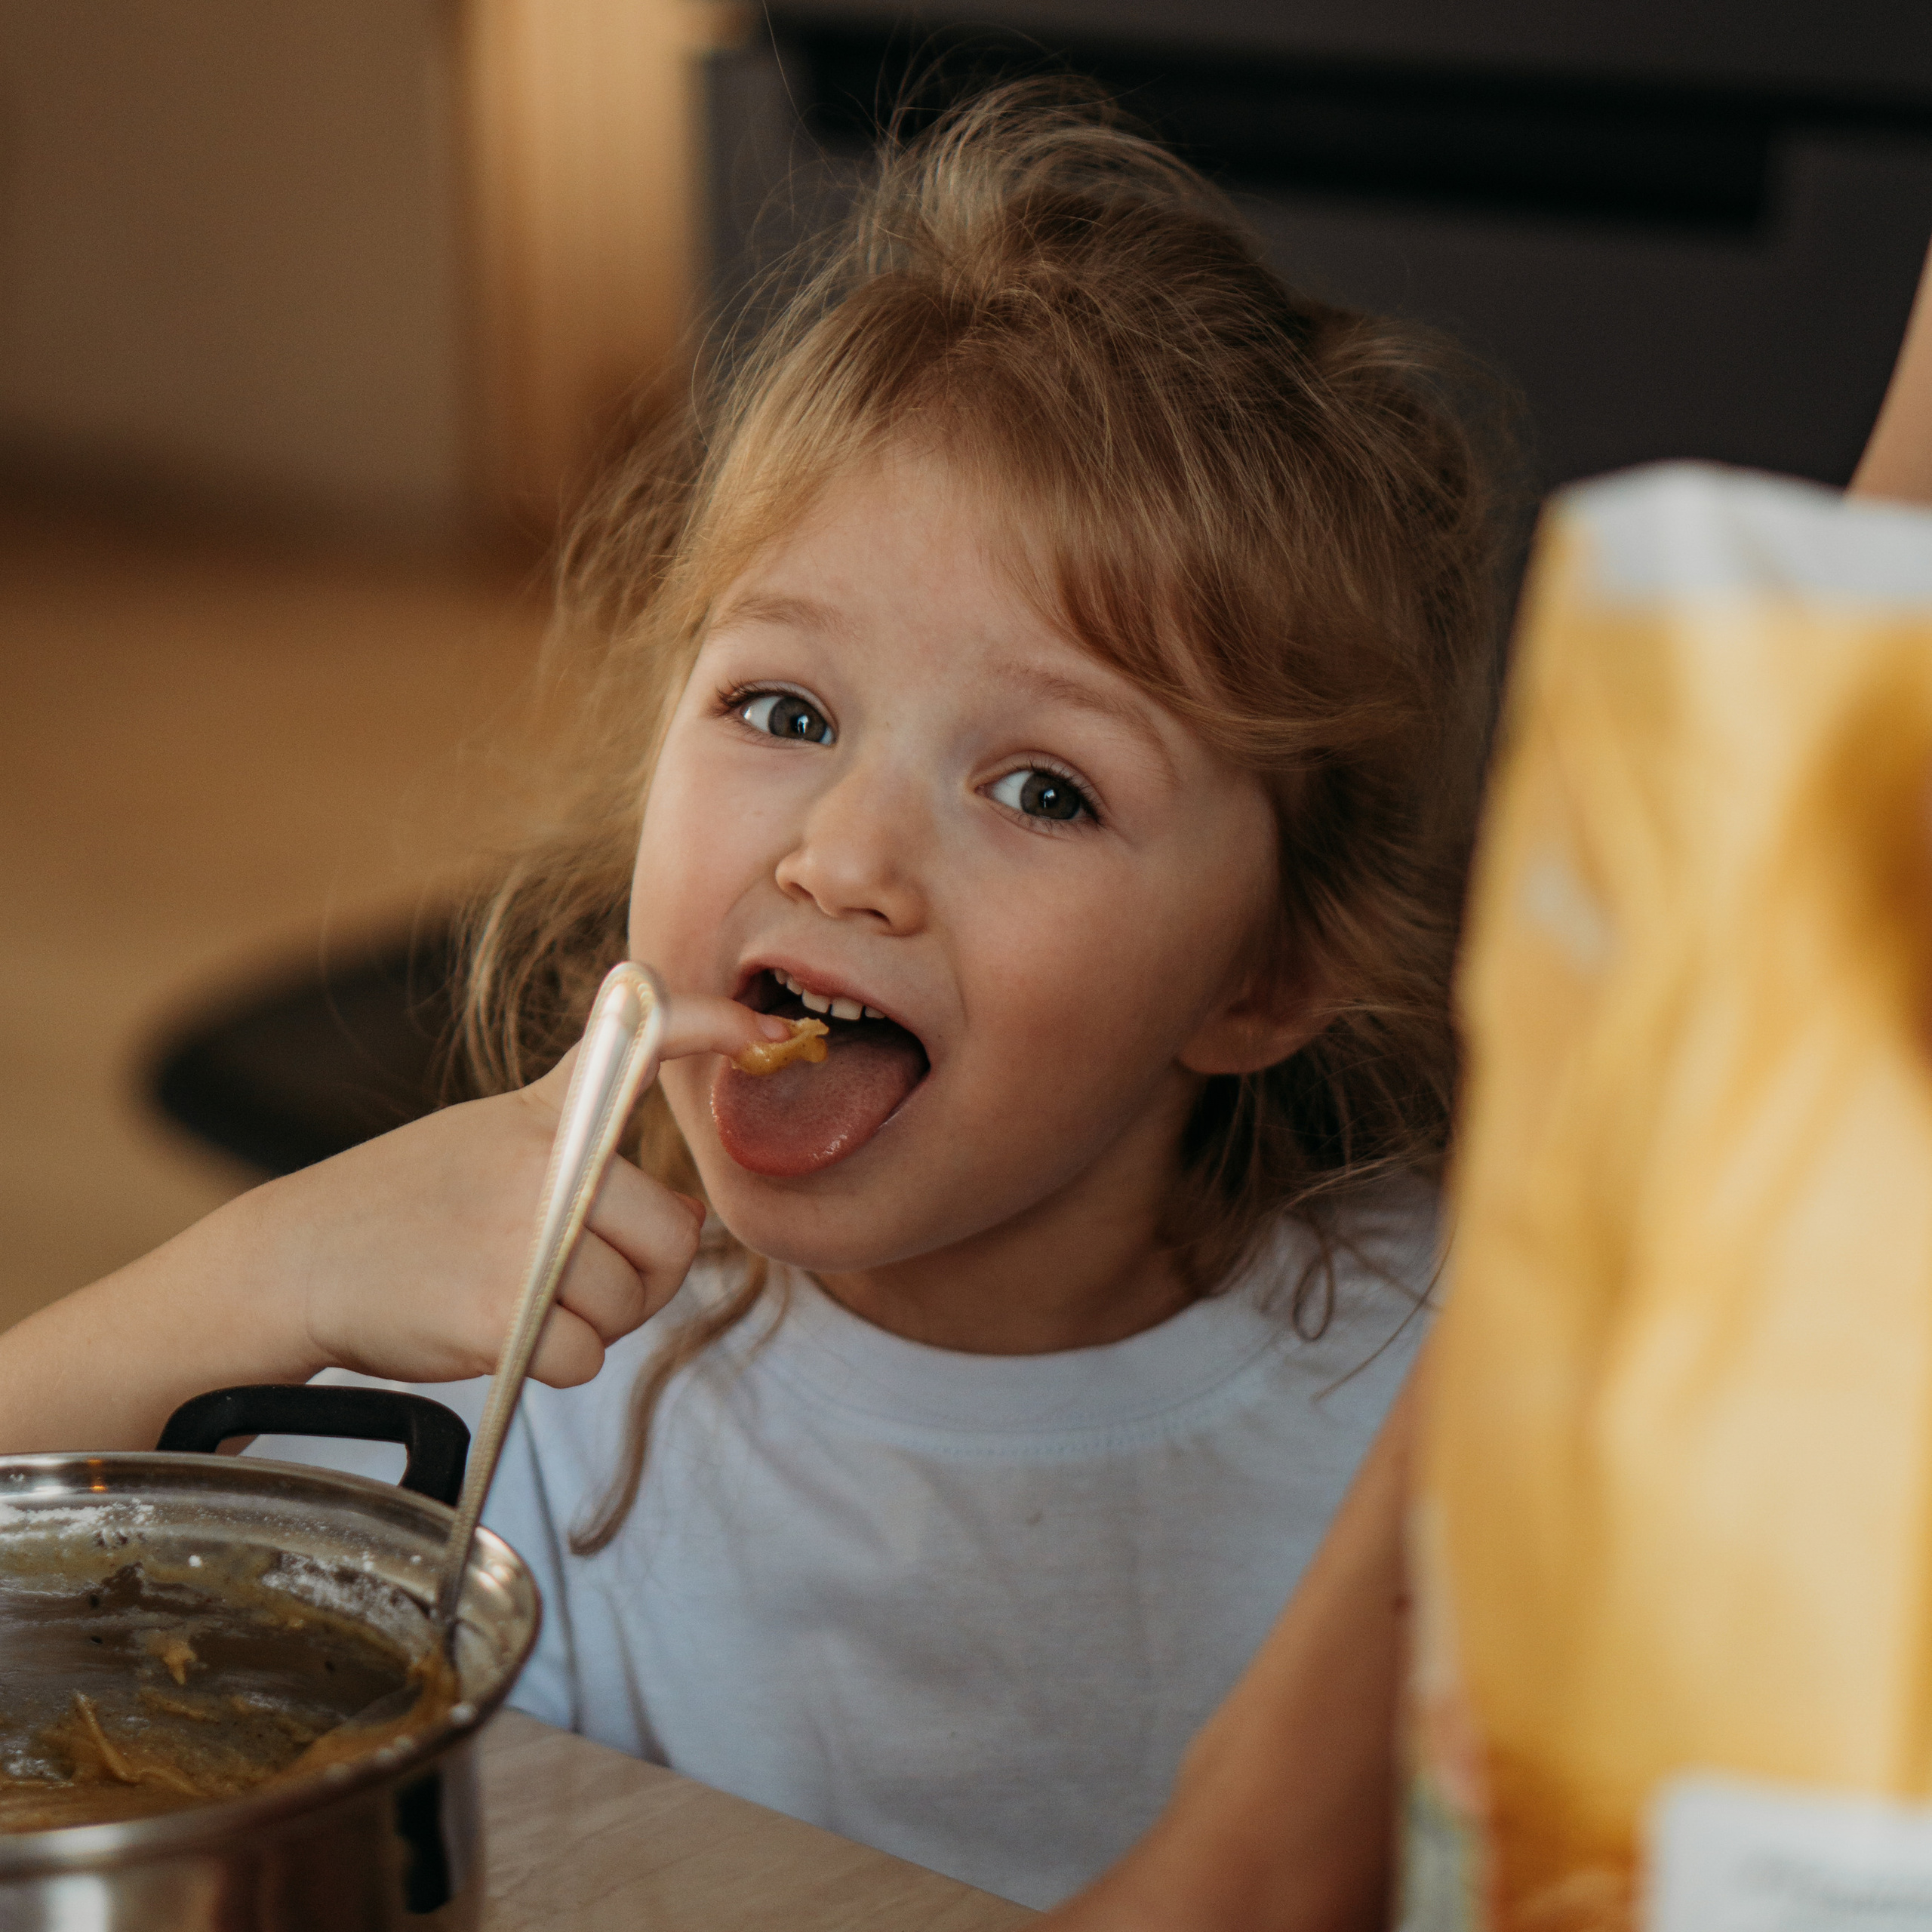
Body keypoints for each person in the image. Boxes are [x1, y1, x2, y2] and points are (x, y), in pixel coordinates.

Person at [0, 85, 1512, 1909]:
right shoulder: (538, 1370)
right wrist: (263, 1268)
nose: (843, 855)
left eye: (1041, 786)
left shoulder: (1438, 1379)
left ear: (1264, 977)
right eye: (782, 710)